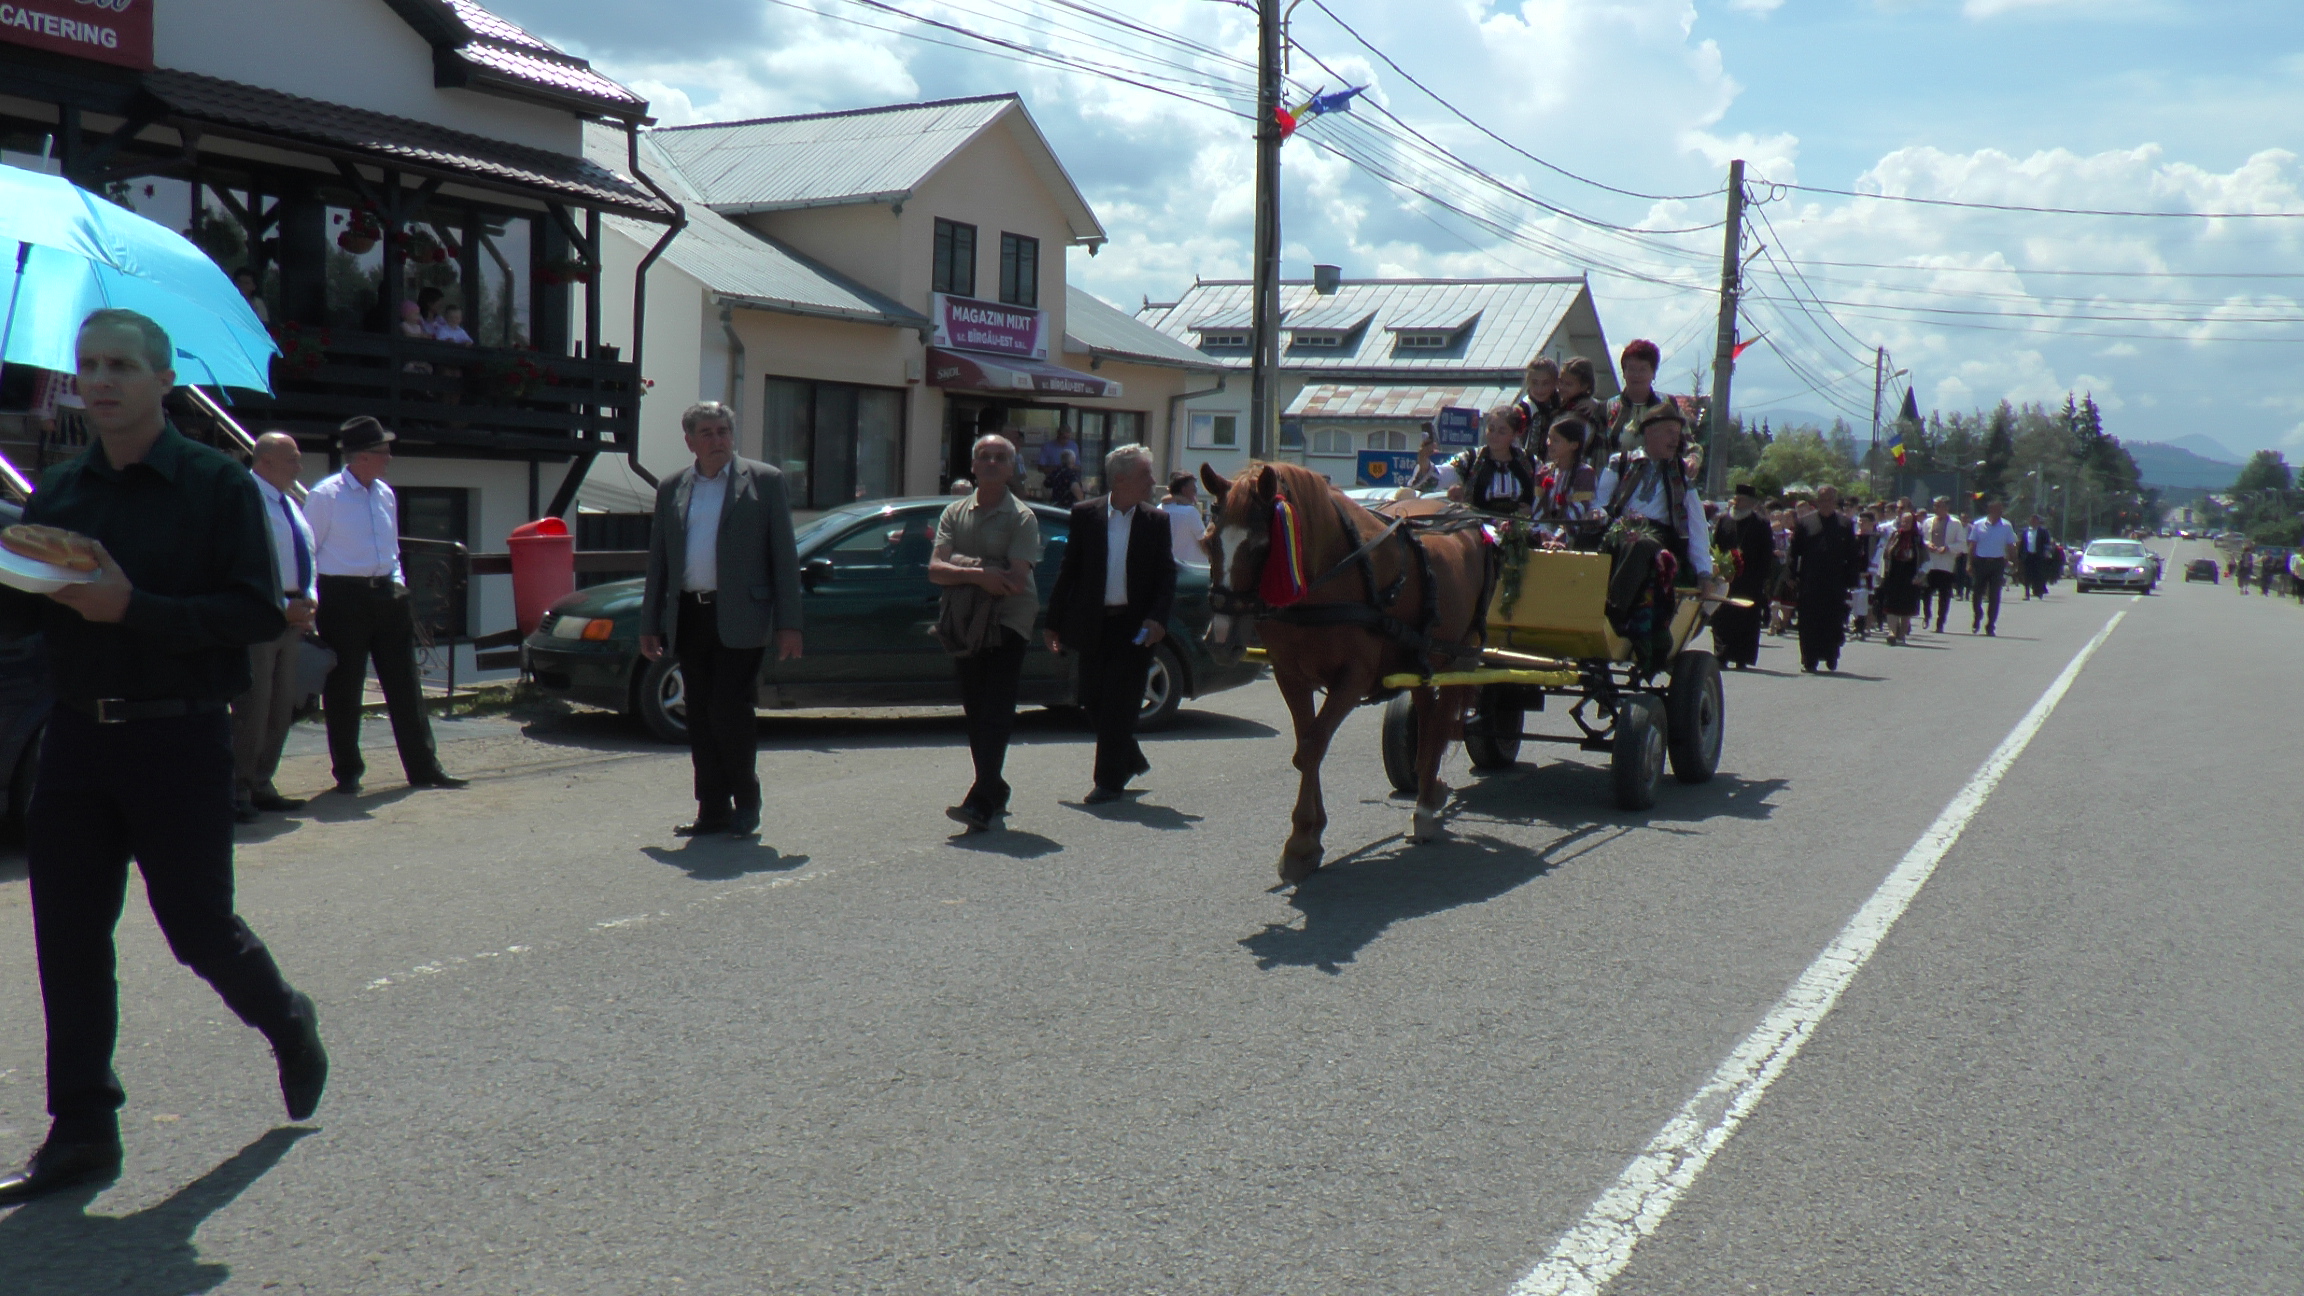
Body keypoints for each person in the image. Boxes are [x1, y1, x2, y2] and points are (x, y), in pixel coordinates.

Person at [0, 309, 325, 1204]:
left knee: (197, 929)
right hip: (75, 737)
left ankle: (287, 1017)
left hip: (176, 735)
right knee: (65, 938)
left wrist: (131, 608)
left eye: (120, 366)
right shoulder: (60, 494)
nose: (98, 381)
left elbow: (257, 613)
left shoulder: (217, 486)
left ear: (160, 380)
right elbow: (30, 614)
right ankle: (83, 1130)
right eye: (87, 366)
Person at [638, 401, 804, 838]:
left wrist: (790, 623)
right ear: (690, 440)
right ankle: (711, 809)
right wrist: (649, 622)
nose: (717, 441)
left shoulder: (764, 482)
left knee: (730, 710)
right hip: (690, 614)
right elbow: (659, 560)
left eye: (723, 432)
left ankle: (746, 802)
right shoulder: (673, 486)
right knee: (699, 715)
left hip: (742, 615)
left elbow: (784, 557)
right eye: (707, 433)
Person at [304, 417, 464, 795]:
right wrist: (311, 600)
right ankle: (347, 771)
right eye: (382, 451)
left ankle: (424, 767)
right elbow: (309, 550)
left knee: (405, 683)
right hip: (343, 596)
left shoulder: (385, 494)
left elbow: (390, 549)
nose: (389, 457)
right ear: (361, 457)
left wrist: (398, 584)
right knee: (345, 687)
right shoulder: (326, 495)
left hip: (387, 595)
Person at [1045, 444, 1177, 803]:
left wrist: (1157, 617)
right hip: (1093, 624)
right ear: (1120, 479)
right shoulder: (1085, 515)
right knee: (1093, 702)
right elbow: (1068, 571)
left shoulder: (1156, 521)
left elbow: (1167, 576)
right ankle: (1129, 758)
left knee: (1121, 704)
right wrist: (1052, 622)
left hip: (1133, 627)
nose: (1153, 481)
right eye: (1145, 474)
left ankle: (1108, 782)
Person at [930, 436, 1043, 831]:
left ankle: (980, 800)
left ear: (1012, 469)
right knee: (975, 708)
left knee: (995, 707)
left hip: (1009, 622)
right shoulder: (954, 513)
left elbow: (1012, 582)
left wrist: (959, 568)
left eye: (1000, 458)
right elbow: (934, 570)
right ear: (973, 466)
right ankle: (994, 787)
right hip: (963, 621)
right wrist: (981, 572)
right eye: (984, 457)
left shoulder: (1022, 518)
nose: (992, 463)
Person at [229, 431, 318, 822]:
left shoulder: (289, 502)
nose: (299, 467)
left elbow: (306, 555)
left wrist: (311, 598)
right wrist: (282, 607)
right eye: (292, 460)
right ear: (265, 461)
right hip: (264, 615)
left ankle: (263, 782)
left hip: (294, 616)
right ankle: (237, 789)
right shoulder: (245, 499)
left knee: (282, 706)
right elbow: (243, 564)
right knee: (254, 706)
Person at [1595, 405, 1713, 673]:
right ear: (1649, 433)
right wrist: (1595, 516)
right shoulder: (1621, 462)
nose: (1676, 439)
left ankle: (1613, 613)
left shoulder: (1681, 473)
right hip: (1619, 530)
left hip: (1658, 537)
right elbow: (1601, 504)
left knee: (1643, 545)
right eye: (1669, 432)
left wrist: (1704, 571)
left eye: (1678, 432)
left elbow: (1696, 525)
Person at [1787, 485, 1862, 672]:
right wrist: (1791, 575)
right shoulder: (1805, 523)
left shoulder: (1845, 524)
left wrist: (1853, 579)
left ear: (1835, 501)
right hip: (1810, 580)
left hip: (1835, 581)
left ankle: (1831, 655)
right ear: (1817, 502)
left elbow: (1853, 554)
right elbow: (1793, 552)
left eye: (1829, 499)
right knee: (1808, 622)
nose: (1826, 503)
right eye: (1822, 500)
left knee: (1833, 620)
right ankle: (1809, 658)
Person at [1711, 482, 1773, 669]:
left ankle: (1742, 657)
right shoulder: (1724, 520)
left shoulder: (1761, 524)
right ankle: (1721, 654)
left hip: (1749, 580)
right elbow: (1715, 546)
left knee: (1746, 619)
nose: (1736, 502)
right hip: (1725, 578)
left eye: (1741, 500)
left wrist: (1762, 580)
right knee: (1722, 618)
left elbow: (1766, 553)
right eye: (1736, 499)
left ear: (1752, 503)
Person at [1440, 404, 1539, 515]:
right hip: (1476, 527)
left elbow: (1546, 499)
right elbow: (1441, 475)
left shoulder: (1530, 461)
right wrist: (1425, 465)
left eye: (1502, 431)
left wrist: (1532, 512)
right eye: (1491, 429)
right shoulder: (1469, 458)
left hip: (1520, 528)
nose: (1494, 435)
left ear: (1514, 434)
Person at [1530, 414, 1598, 544]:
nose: (1549, 444)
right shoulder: (1546, 471)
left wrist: (1558, 537)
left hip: (1571, 536)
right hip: (1545, 532)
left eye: (1556, 440)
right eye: (1549, 438)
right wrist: (1540, 532)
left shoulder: (1584, 473)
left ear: (1573, 445)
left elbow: (1577, 512)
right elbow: (1538, 510)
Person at [1606, 338, 1668, 457]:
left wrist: (1692, 460)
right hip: (1617, 472)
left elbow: (1689, 445)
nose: (1636, 375)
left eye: (1643, 369)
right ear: (1624, 372)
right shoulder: (1609, 407)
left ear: (1653, 373)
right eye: (1632, 369)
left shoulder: (1666, 405)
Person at [1966, 498, 2018, 635]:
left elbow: (2010, 546)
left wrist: (2015, 562)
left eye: (2000, 510)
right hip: (1980, 562)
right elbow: (1972, 545)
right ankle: (1977, 616)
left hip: (1997, 563)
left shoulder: (2006, 526)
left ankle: (1991, 625)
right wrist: (1969, 563)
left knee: (1995, 595)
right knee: (1977, 593)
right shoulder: (1978, 525)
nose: (1999, 512)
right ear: (1990, 510)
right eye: (1996, 509)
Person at [1876, 508, 1925, 645]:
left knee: (1906, 607)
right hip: (1894, 573)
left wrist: (1920, 576)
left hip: (1911, 574)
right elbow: (1886, 555)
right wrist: (1882, 572)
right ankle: (1892, 632)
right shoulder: (1894, 535)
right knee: (1891, 604)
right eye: (1903, 521)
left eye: (1908, 521)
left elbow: (1925, 559)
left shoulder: (1917, 539)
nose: (1905, 523)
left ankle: (1901, 634)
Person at [1919, 496, 1965, 633]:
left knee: (1944, 595)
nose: (1936, 509)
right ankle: (1927, 614)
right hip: (1930, 563)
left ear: (1946, 508)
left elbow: (1962, 544)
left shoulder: (1955, 524)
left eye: (1939, 506)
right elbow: (1921, 539)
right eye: (1934, 506)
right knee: (1926, 592)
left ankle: (1941, 622)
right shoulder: (1928, 522)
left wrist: (1948, 548)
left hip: (1946, 564)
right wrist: (1928, 544)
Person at [1556, 356, 1609, 470]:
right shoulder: (1562, 406)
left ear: (1584, 386)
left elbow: (1579, 445)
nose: (1562, 387)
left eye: (1568, 384)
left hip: (1577, 469)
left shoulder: (1584, 411)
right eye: (1561, 382)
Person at [1512, 356, 1561, 454]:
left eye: (1545, 383)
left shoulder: (1562, 405)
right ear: (1528, 382)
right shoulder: (1523, 410)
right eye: (1535, 383)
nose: (1539, 389)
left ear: (1555, 383)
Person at [1162, 472, 1208, 568]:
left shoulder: (1159, 509)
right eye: (1194, 490)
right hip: (1191, 572)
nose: (1196, 493)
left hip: (1166, 569)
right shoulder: (1190, 512)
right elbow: (1205, 545)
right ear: (1184, 490)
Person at [2017, 513, 2056, 599]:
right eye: (2032, 520)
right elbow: (2022, 544)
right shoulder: (2025, 532)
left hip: (2038, 556)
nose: (2033, 522)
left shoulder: (2043, 532)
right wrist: (2019, 556)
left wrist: (2047, 552)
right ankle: (2026, 593)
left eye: (2035, 520)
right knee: (2027, 575)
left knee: (2038, 574)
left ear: (2038, 522)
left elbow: (2047, 544)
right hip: (2027, 556)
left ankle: (2038, 591)